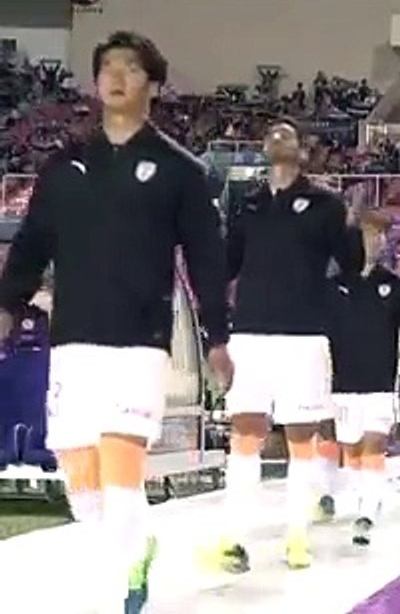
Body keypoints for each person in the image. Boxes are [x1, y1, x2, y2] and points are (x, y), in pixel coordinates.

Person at [0, 31, 233, 613]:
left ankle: (123, 580)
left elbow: (206, 258)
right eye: (107, 66)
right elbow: (31, 245)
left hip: (139, 341)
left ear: (152, 86)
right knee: (82, 482)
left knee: (120, 462)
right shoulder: (64, 167)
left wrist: (217, 337)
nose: (116, 76)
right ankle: (138, 545)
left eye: (130, 67)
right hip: (74, 340)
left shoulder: (180, 171)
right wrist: (7, 305)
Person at [212, 119, 361, 573]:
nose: (279, 140)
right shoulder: (248, 204)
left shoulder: (326, 205)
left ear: (302, 150)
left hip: (304, 336)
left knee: (301, 439)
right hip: (251, 334)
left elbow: (351, 268)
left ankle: (297, 536)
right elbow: (225, 267)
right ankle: (233, 540)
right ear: (262, 148)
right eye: (273, 135)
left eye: (288, 135)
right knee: (244, 436)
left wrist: (353, 227)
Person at [326, 210, 400, 547]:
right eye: (369, 234)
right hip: (342, 386)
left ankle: (367, 511)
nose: (375, 241)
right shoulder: (334, 287)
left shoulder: (394, 287)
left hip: (381, 384)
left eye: (380, 235)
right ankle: (360, 499)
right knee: (351, 450)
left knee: (373, 447)